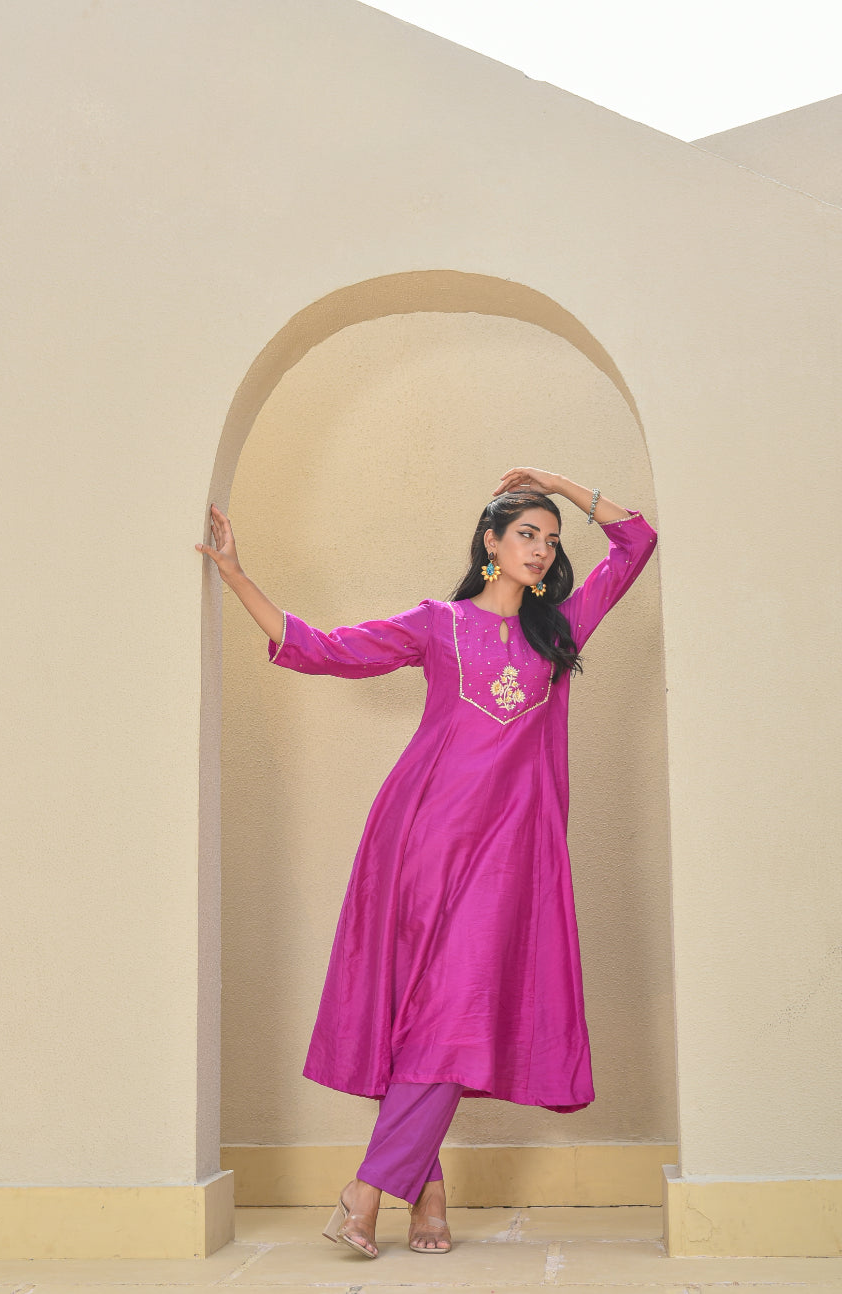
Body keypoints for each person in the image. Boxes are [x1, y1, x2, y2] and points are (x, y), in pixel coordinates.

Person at [195, 466, 658, 1259]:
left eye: (549, 540)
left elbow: (635, 540)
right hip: (418, 841)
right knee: (421, 1012)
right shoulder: (438, 624)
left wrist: (554, 482)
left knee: (452, 1010)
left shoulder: (561, 628)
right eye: (525, 533)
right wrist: (236, 573)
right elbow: (326, 650)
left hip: (509, 856)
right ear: (489, 542)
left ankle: (368, 1190)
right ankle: (428, 1196)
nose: (542, 550)